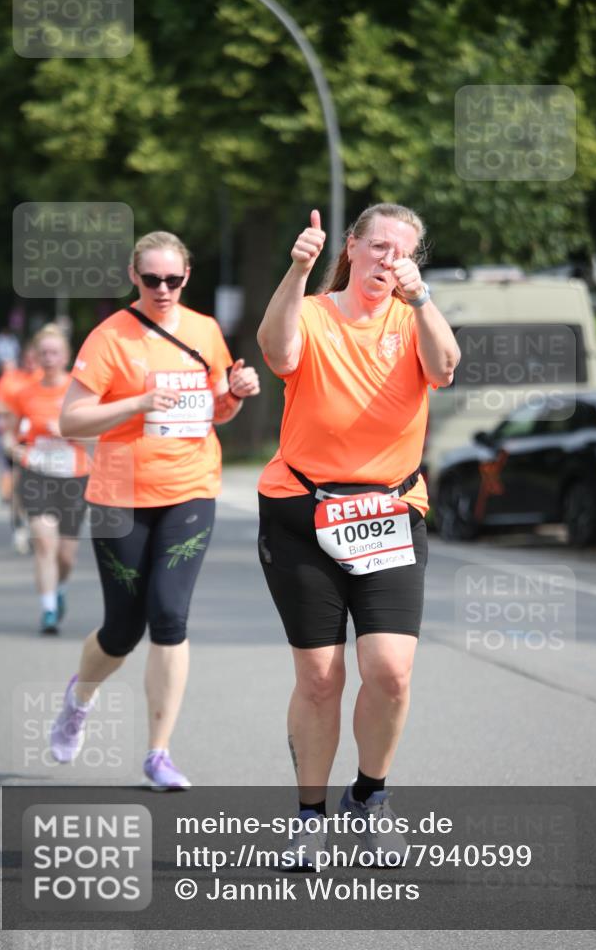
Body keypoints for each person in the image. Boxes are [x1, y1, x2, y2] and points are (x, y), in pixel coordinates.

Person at [257, 204, 460, 867]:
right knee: (320, 677)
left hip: (389, 511)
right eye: (377, 246)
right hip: (301, 511)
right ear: (351, 246)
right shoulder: (313, 311)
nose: (387, 259)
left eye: (402, 251)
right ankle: (308, 815)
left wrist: (420, 297)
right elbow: (275, 350)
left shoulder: (413, 317)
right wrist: (297, 269)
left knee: (390, 671)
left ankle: (369, 795)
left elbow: (446, 367)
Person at [49, 230, 260, 789]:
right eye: (152, 279)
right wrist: (139, 402)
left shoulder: (204, 331)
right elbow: (71, 422)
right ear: (133, 277)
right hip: (120, 495)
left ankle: (158, 754)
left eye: (174, 279)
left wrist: (235, 392)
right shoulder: (109, 338)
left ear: (187, 277)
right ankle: (80, 698)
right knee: (123, 629)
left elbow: (215, 413)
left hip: (190, 488)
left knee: (169, 616)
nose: (163, 289)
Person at [5, 325, 90, 631]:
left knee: (66, 555)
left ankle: (60, 588)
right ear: (36, 356)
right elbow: (12, 435)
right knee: (43, 542)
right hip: (36, 472)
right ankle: (49, 610)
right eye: (44, 353)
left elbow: (100, 432)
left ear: (66, 356)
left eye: (55, 352)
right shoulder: (24, 392)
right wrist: (14, 449)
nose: (49, 358)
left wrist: (68, 430)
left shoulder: (79, 390)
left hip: (73, 475)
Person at [0, 341, 42, 550]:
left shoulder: (45, 380)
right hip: (20, 440)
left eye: (34, 358)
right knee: (19, 487)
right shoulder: (11, 380)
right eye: (27, 358)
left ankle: (37, 527)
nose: (30, 362)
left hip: (43, 443)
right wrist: (15, 407)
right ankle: (20, 527)